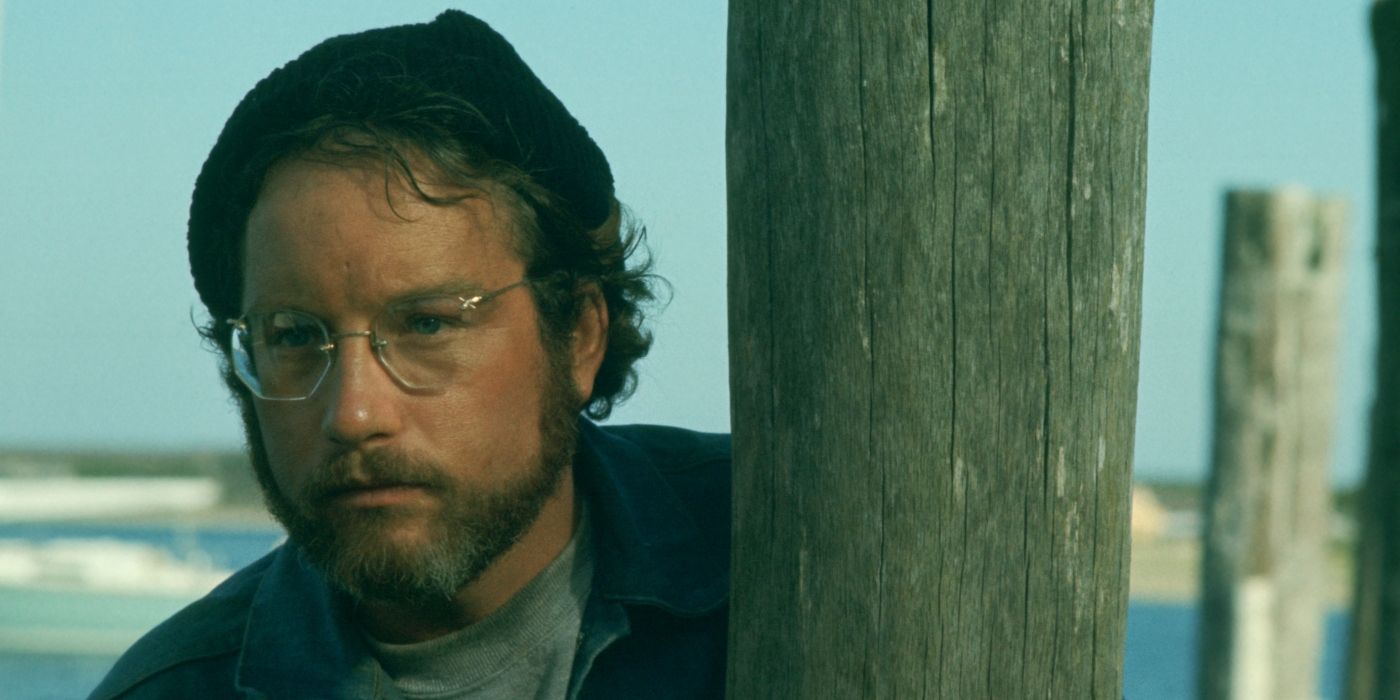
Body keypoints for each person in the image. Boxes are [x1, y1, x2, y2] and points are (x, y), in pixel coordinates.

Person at [89, 10, 730, 699]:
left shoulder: (795, 539)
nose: (354, 412)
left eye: (427, 324)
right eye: (295, 337)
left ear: (577, 335)